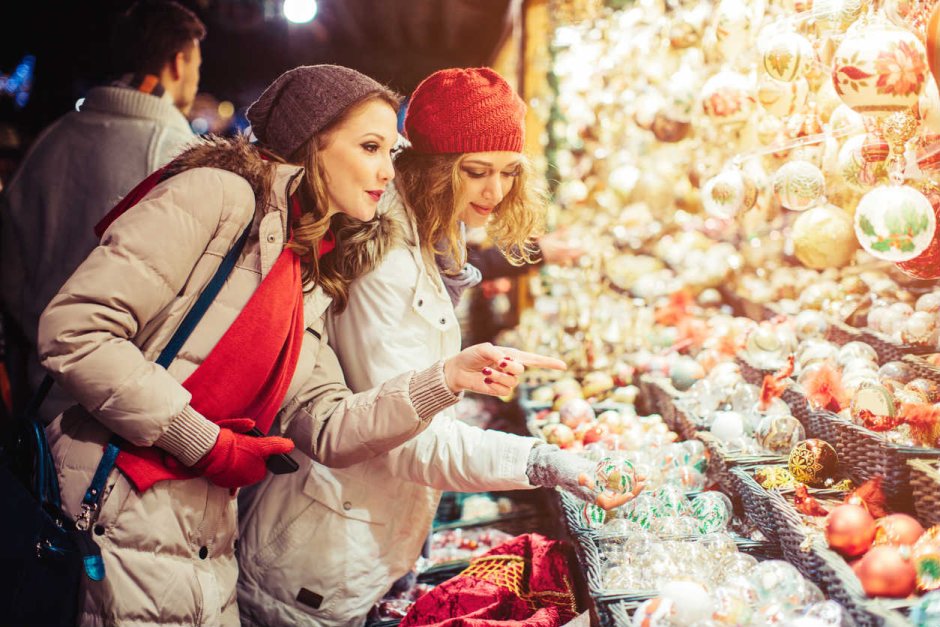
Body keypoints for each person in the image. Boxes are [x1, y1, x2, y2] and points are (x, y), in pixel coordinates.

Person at [37, 64, 562, 627]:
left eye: (393, 150)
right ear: (315, 144)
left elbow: (325, 421)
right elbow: (74, 329)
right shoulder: (217, 194)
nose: (390, 171)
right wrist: (201, 440)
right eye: (371, 147)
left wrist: (447, 378)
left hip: (205, 525)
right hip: (116, 505)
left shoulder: (308, 254)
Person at [235, 67, 642, 627]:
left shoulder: (432, 237)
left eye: (507, 173)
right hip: (321, 557)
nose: (495, 192)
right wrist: (543, 461)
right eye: (476, 172)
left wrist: (457, 373)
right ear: (430, 168)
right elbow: (407, 442)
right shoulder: (387, 261)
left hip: (368, 534)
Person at [1, 0, 204, 422]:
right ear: (178, 62)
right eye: (197, 67)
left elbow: (11, 273)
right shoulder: (180, 155)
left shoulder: (49, 142)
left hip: (39, 400)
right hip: (127, 416)